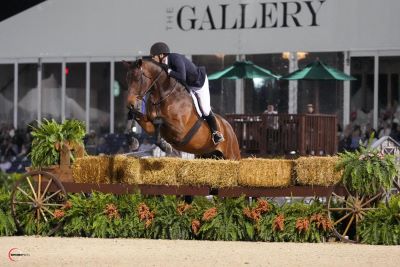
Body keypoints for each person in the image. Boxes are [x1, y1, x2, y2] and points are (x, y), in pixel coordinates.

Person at [149, 42, 224, 145]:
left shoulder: (175, 59)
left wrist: (169, 71)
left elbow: (182, 77)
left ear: (161, 55)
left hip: (198, 84)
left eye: (153, 56)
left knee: (205, 110)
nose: (152, 58)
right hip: (186, 86)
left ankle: (216, 133)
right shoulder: (161, 64)